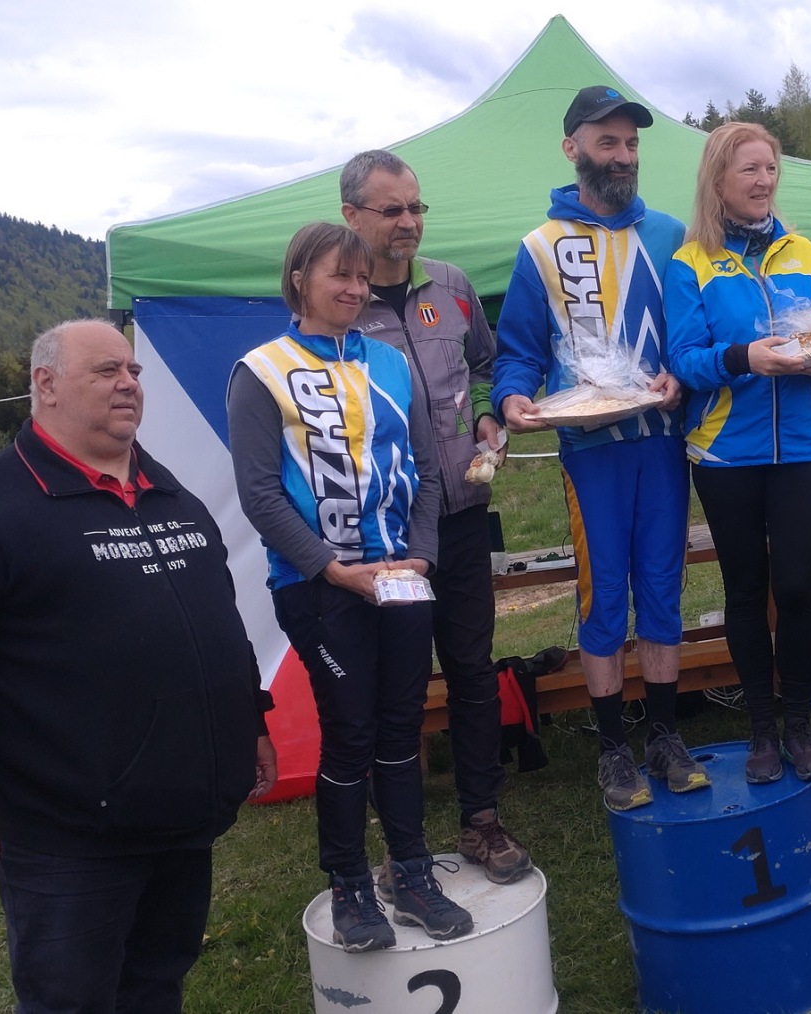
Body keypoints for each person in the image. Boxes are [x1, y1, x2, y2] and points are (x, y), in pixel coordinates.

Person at [0, 319, 276, 1012]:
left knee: (156, 983)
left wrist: (255, 721)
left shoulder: (171, 496)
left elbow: (220, 623)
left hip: (181, 814)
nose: (128, 383)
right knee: (73, 999)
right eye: (105, 371)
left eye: (133, 371)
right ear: (47, 384)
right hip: (67, 833)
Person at [229, 222, 473, 952]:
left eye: (362, 277)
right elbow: (259, 494)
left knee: (402, 728)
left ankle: (412, 874)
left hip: (399, 578)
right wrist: (331, 567)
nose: (355, 288)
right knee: (351, 733)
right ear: (298, 278)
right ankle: (349, 886)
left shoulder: (390, 363)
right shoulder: (260, 371)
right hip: (318, 585)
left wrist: (421, 558)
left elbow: (427, 472)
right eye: (339, 274)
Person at [492, 85, 708, 811]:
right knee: (604, 594)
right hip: (590, 451)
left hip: (662, 443)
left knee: (663, 589)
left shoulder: (672, 235)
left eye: (632, 143)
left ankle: (666, 735)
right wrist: (511, 397)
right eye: (607, 141)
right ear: (572, 148)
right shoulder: (540, 248)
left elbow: (693, 335)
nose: (622, 156)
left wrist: (683, 377)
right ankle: (613, 747)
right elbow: (518, 350)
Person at [338, 149, 531, 885]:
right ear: (351, 216)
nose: (409, 222)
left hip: (462, 513)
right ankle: (403, 844)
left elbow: (486, 364)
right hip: (387, 535)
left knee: (473, 669)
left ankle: (481, 819)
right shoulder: (340, 306)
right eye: (391, 210)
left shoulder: (450, 286)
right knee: (399, 684)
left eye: (416, 207)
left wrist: (487, 414)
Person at [664, 122, 811, 783]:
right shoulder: (691, 263)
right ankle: (761, 731)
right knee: (744, 590)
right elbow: (683, 360)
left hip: (801, 445)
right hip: (726, 453)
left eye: (770, 168)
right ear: (718, 181)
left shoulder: (805, 251)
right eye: (750, 170)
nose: (764, 180)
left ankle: (799, 723)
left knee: (795, 587)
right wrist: (745, 358)